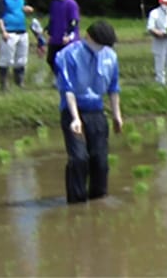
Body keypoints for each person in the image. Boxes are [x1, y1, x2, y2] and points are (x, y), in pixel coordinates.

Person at [56, 21, 123, 203]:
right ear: (89, 37)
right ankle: (76, 202)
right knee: (79, 158)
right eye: (100, 43)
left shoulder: (110, 56)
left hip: (97, 112)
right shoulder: (68, 55)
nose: (103, 48)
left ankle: (98, 201)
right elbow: (67, 89)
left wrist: (117, 115)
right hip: (73, 112)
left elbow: (113, 87)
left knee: (100, 160)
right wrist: (75, 118)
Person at [0, 0, 35, 90]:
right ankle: (4, 84)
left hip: (22, 30)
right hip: (9, 31)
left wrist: (25, 9)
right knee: (7, 59)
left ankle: (20, 82)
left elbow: (19, 8)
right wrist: (3, 32)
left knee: (22, 58)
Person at [46, 0, 80, 73]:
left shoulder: (71, 3)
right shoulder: (54, 3)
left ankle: (68, 78)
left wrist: (69, 35)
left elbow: (74, 20)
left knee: (66, 60)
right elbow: (52, 19)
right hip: (55, 37)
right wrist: (49, 32)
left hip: (66, 37)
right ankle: (59, 76)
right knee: (51, 59)